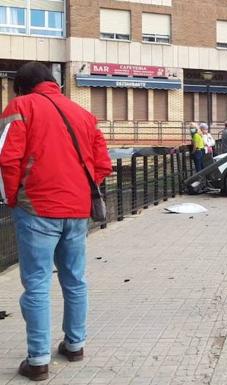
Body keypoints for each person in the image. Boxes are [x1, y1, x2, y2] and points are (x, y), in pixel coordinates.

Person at [0, 62, 112, 381]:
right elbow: (102, 164)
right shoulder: (83, 115)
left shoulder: (19, 107)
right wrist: (78, 189)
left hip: (36, 207)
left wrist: (12, 197)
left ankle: (38, 360)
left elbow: (6, 158)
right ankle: (75, 345)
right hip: (77, 211)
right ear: (53, 83)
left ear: (20, 87)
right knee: (74, 279)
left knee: (36, 282)